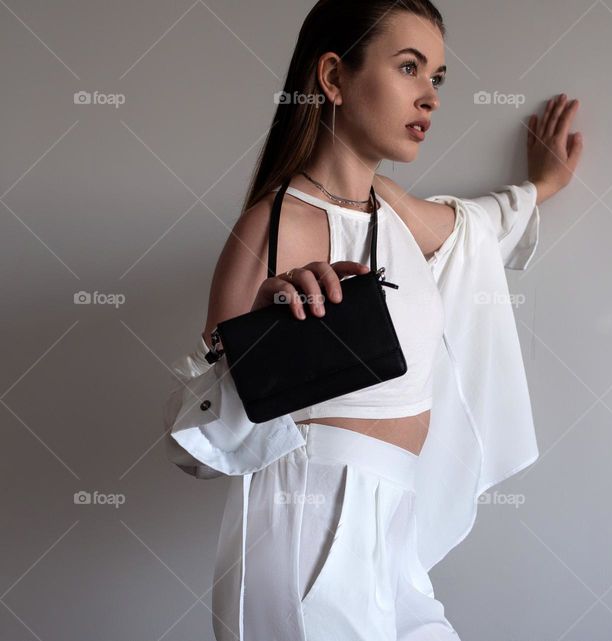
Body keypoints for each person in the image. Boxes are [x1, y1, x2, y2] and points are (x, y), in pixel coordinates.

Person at [161, 1, 583, 639]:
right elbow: (198, 439)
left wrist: (542, 185)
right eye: (409, 68)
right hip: (311, 525)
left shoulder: (396, 213)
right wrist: (262, 327)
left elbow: (479, 225)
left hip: (397, 531)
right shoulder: (273, 228)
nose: (430, 97)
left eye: (437, 77)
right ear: (333, 79)